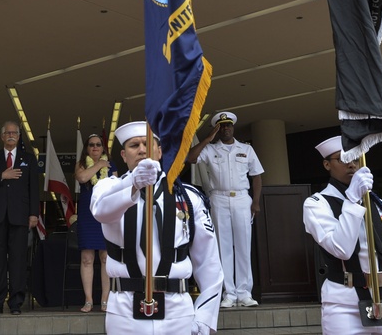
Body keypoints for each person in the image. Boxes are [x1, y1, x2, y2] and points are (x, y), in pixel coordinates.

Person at [91, 121, 223, 335]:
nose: (142, 149)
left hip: (177, 308)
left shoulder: (187, 196)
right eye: (134, 145)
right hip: (124, 309)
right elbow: (101, 211)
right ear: (124, 156)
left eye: (147, 143)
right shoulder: (108, 188)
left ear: (159, 151)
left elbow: (208, 261)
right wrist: (134, 183)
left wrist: (205, 317)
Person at [302, 136, 382, 335]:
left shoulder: (380, 205)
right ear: (327, 164)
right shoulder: (316, 203)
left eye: (356, 158)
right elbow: (341, 249)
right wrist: (352, 200)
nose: (351, 164)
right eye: (343, 159)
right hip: (344, 302)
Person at [186, 111, 264, 308]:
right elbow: (190, 158)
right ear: (217, 130)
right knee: (223, 248)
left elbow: (256, 176)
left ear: (233, 127)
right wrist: (208, 138)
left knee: (244, 246)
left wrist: (255, 202)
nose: (226, 128)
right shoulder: (210, 149)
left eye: (228, 125)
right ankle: (229, 293)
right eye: (222, 127)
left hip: (241, 198)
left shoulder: (246, 149)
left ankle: (245, 292)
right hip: (218, 198)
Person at [0, 121, 40, 315]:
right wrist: (2, 175)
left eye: (14, 133)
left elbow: (33, 189)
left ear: (19, 137)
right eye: (8, 133)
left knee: (18, 261)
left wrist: (33, 214)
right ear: (2, 136)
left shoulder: (29, 159)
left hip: (20, 217)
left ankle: (15, 304)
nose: (11, 135)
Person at [74, 133, 117, 312]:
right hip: (87, 214)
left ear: (103, 147)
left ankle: (105, 300)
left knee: (106, 257)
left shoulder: (112, 165)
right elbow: (83, 178)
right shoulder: (81, 164)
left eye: (98, 144)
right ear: (87, 147)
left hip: (105, 213)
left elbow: (116, 187)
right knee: (87, 258)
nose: (95, 147)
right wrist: (99, 165)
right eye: (91, 145)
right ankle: (89, 300)